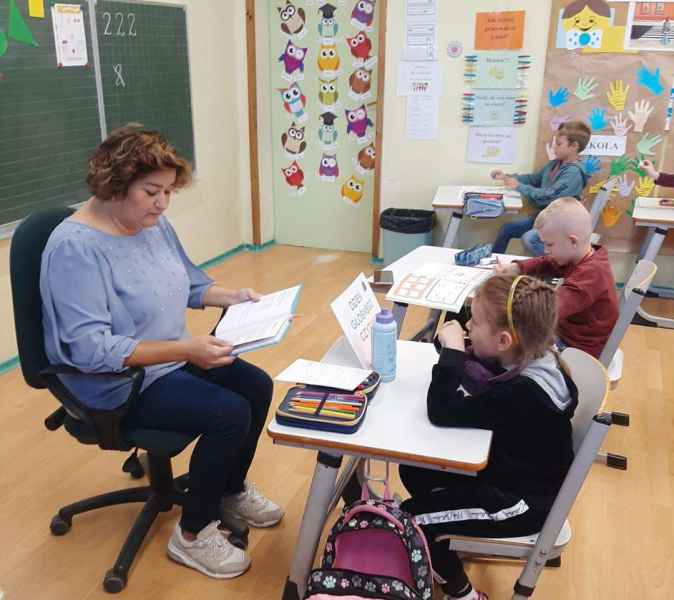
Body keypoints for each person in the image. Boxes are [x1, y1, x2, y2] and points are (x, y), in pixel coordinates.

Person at [40, 125, 283, 579]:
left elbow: (189, 282)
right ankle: (191, 535)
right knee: (228, 413)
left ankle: (228, 490)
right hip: (116, 383)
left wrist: (233, 297)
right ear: (115, 184)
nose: (163, 203)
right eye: (152, 191)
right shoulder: (75, 249)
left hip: (171, 358)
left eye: (169, 192)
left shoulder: (151, 224)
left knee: (256, 385)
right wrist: (186, 348)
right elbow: (92, 350)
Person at [399, 275, 578, 600]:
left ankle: (463, 594)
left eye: (475, 321)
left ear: (505, 341)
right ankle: (453, 533)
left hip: (521, 504)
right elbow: (488, 380)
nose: (467, 326)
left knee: (410, 520)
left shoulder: (520, 395)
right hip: (513, 472)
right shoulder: (543, 359)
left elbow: (440, 411)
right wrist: (462, 350)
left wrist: (453, 353)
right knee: (412, 469)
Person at [496, 198, 618, 359]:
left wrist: (507, 300)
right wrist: (517, 268)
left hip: (576, 350)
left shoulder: (592, 274)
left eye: (550, 245)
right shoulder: (583, 256)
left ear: (572, 241)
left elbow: (548, 311)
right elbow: (547, 262)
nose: (546, 250)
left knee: (507, 345)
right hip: (568, 334)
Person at [490, 120, 590, 256]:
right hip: (546, 219)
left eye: (559, 144)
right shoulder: (555, 164)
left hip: (561, 225)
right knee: (506, 229)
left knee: (530, 239)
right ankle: (493, 265)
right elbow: (534, 179)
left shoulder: (573, 173)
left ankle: (557, 268)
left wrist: (519, 186)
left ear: (574, 146)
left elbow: (547, 197)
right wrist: (506, 177)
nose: (554, 147)